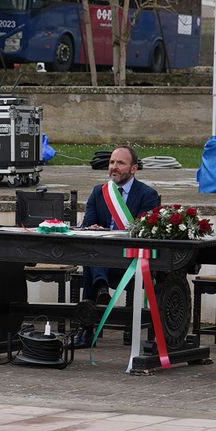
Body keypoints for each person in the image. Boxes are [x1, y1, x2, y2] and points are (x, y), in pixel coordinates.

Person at [74, 145, 160, 347]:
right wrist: (93, 227)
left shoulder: (148, 194)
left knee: (92, 262)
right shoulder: (99, 192)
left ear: (133, 169)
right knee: (92, 257)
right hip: (102, 259)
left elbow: (142, 230)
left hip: (130, 260)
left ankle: (86, 329)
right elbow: (87, 225)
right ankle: (98, 296)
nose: (114, 167)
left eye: (120, 163)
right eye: (112, 162)